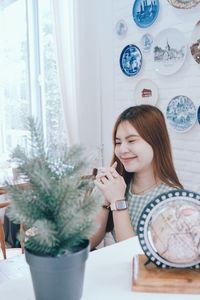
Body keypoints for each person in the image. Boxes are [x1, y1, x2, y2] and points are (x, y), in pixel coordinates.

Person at [90, 105, 183, 249]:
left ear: (156, 142)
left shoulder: (172, 200)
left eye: (131, 141)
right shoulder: (115, 184)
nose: (122, 150)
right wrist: (104, 200)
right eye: (118, 142)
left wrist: (117, 200)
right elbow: (88, 243)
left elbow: (134, 256)